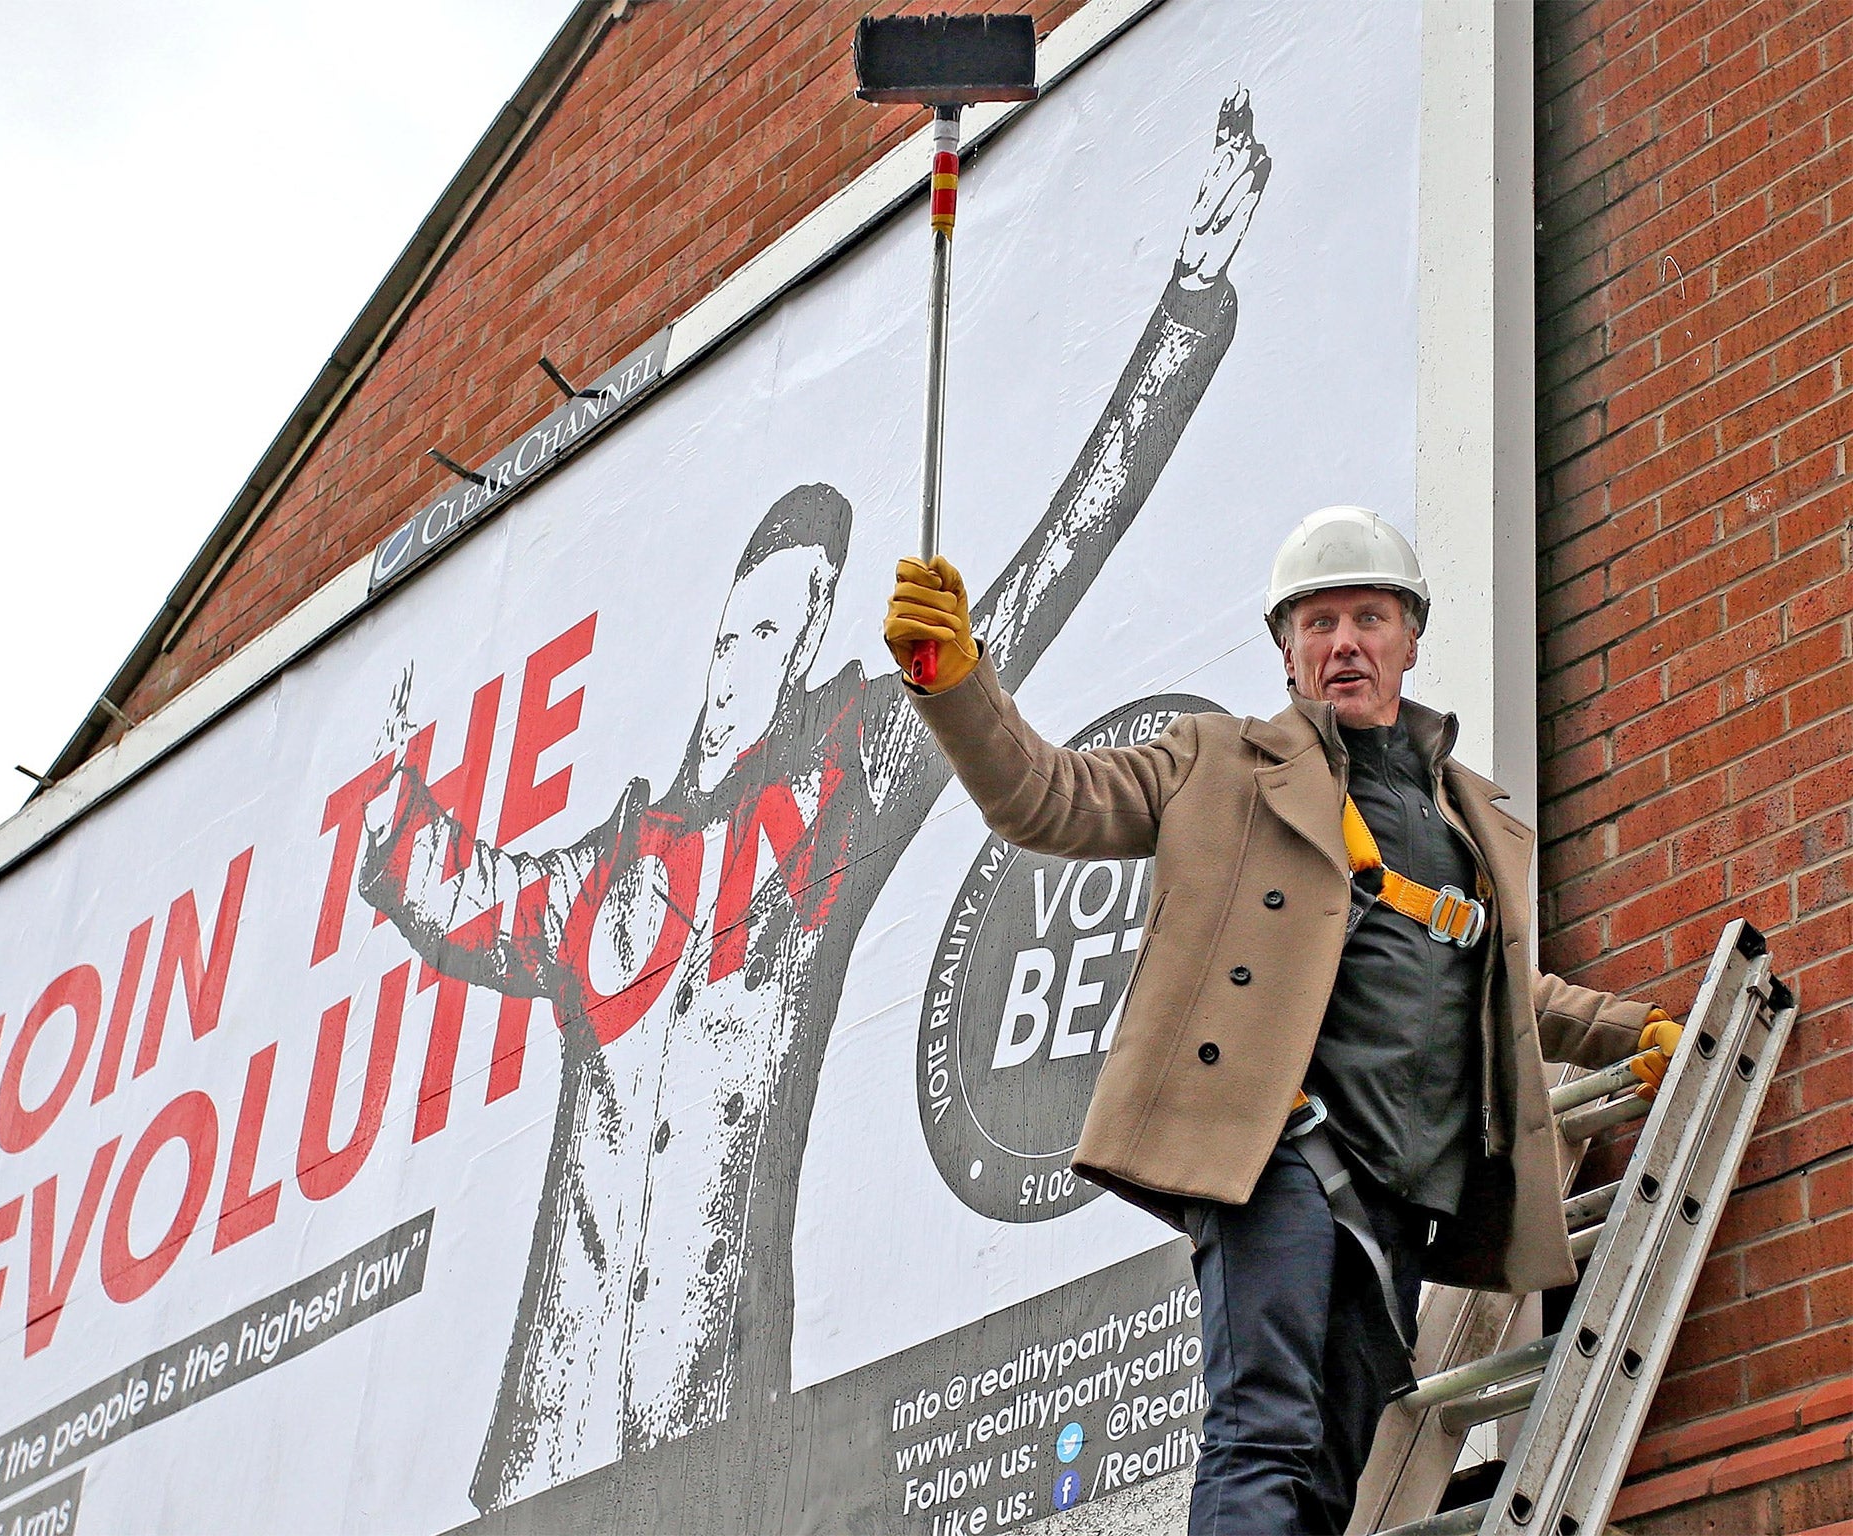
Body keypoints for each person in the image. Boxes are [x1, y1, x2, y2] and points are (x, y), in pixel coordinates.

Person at [356, 93, 1271, 1525]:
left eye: (779, 639)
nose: (744, 670)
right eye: (732, 637)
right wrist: (397, 777)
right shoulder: (603, 880)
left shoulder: (835, 804)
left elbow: (1044, 573)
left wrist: (1185, 307)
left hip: (714, 1450)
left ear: (810, 649)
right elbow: (450, 888)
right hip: (532, 1469)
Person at [884, 504, 1681, 1535]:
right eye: (1316, 622)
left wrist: (1633, 1032)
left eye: (1366, 617)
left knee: (1328, 1472)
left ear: (1407, 638)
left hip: (1405, 1192)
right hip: (1278, 1149)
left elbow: (1503, 994)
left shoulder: (1463, 823)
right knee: (1262, 1424)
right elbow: (1045, 797)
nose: (1342, 642)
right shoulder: (1217, 764)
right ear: (1285, 651)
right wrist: (955, 685)